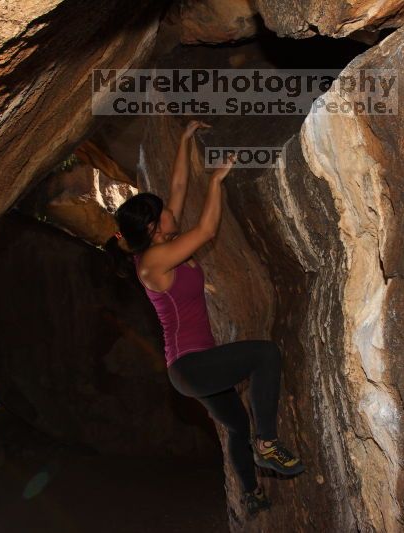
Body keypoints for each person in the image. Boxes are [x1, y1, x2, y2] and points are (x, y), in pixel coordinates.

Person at [105, 120, 305, 516]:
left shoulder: (164, 241)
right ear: (152, 227)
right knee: (265, 355)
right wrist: (215, 183)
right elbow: (208, 227)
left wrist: (183, 139)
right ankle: (267, 444)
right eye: (161, 213)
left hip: (194, 367)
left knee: (235, 426)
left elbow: (177, 189)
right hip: (190, 365)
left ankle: (250, 493)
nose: (168, 209)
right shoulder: (154, 261)